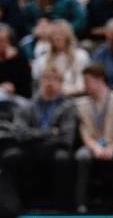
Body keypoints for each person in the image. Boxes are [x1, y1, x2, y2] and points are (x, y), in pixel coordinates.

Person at [11, 67, 76, 209]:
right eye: (46, 78)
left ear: (61, 83)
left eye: (54, 79)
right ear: (39, 82)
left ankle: (62, 206)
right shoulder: (28, 105)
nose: (49, 83)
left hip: (55, 148)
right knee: (14, 155)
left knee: (62, 158)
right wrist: (50, 132)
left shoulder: (68, 106)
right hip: (32, 147)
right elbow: (19, 133)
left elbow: (67, 138)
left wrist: (35, 135)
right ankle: (23, 205)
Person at [75, 64, 113, 213]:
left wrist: (111, 148)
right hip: (93, 144)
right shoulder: (81, 105)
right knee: (82, 156)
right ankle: (80, 202)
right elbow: (84, 132)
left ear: (100, 80)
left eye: (88, 81)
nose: (85, 85)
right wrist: (95, 147)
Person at [32, 19, 90, 96]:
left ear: (68, 36)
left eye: (61, 33)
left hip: (76, 97)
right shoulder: (42, 60)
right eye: (55, 34)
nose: (57, 37)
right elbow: (38, 85)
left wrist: (65, 92)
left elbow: (83, 85)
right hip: (50, 98)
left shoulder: (81, 56)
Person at [0, 24, 32, 99]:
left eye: (2, 41)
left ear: (9, 42)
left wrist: (13, 89)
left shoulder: (19, 60)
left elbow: (27, 90)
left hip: (16, 99)